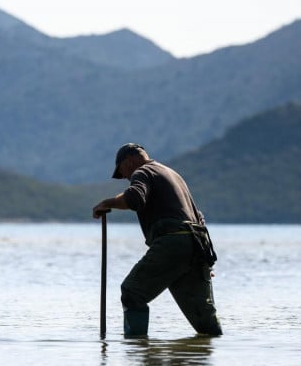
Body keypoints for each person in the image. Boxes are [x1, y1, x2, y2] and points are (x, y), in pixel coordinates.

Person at [92, 143, 223, 337]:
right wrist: (203, 260)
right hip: (196, 246)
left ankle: (137, 352)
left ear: (130, 161)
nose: (126, 178)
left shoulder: (142, 172)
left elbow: (136, 197)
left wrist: (107, 203)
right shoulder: (172, 174)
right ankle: (208, 361)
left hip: (172, 243)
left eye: (123, 172)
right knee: (204, 321)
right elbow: (198, 217)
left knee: (132, 292)